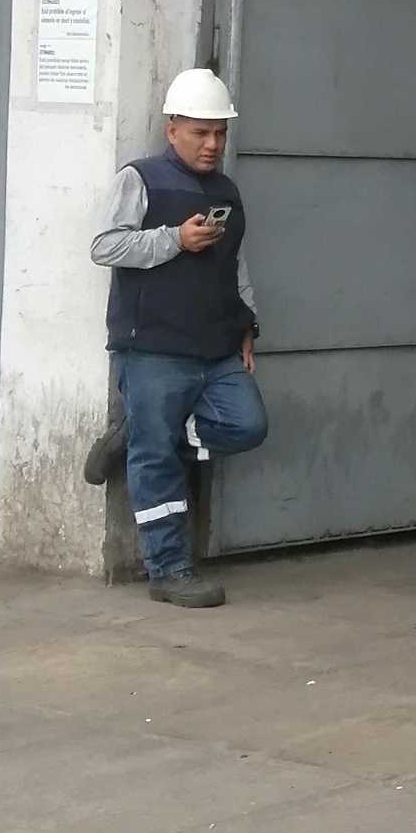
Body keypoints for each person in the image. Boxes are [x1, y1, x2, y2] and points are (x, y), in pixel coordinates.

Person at [84, 68, 267, 609]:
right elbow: (105, 246)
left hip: (216, 347)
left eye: (220, 133)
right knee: (157, 458)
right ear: (172, 129)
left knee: (247, 425)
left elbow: (235, 265)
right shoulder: (140, 179)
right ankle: (168, 570)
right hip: (153, 348)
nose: (212, 144)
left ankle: (136, 432)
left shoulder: (227, 191)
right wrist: (175, 240)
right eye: (200, 132)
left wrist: (248, 324)